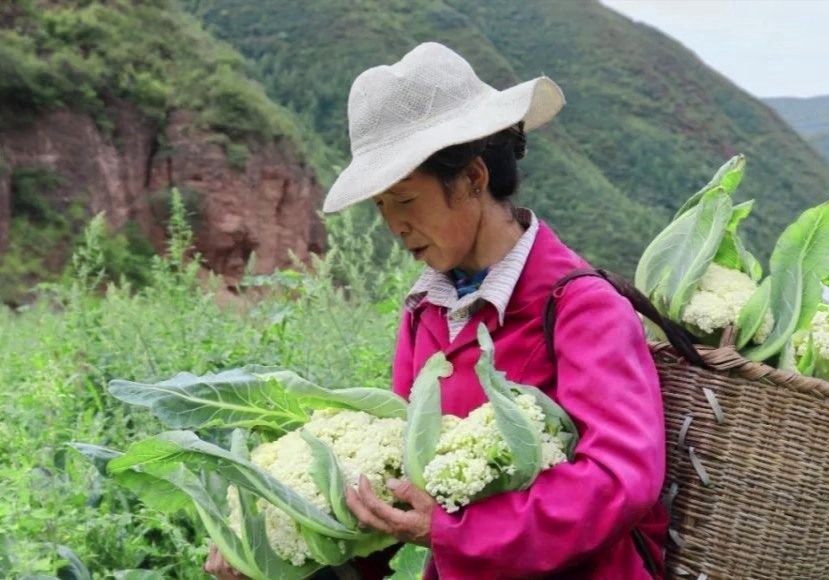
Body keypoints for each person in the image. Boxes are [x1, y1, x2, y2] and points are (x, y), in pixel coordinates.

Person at [207, 42, 668, 580]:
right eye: (380, 207)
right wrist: (275, 549)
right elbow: (400, 473)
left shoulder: (580, 307)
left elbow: (620, 479)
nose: (394, 225)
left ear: (473, 179)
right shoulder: (426, 311)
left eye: (405, 200)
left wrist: (456, 533)